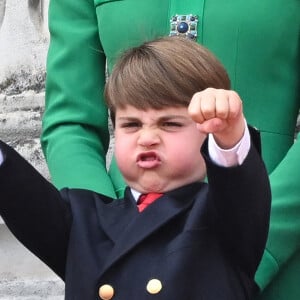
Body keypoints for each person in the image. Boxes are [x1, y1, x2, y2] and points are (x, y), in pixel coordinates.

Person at [42, 1, 300, 299]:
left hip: (275, 253)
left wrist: (257, 246)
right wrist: (101, 238)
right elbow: (71, 124)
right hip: (121, 261)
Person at [0, 37, 270, 299]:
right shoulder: (83, 220)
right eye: (131, 125)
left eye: (170, 124)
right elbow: (19, 193)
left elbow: (242, 191)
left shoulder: (222, 217)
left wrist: (230, 133)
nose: (147, 137)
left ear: (208, 132)